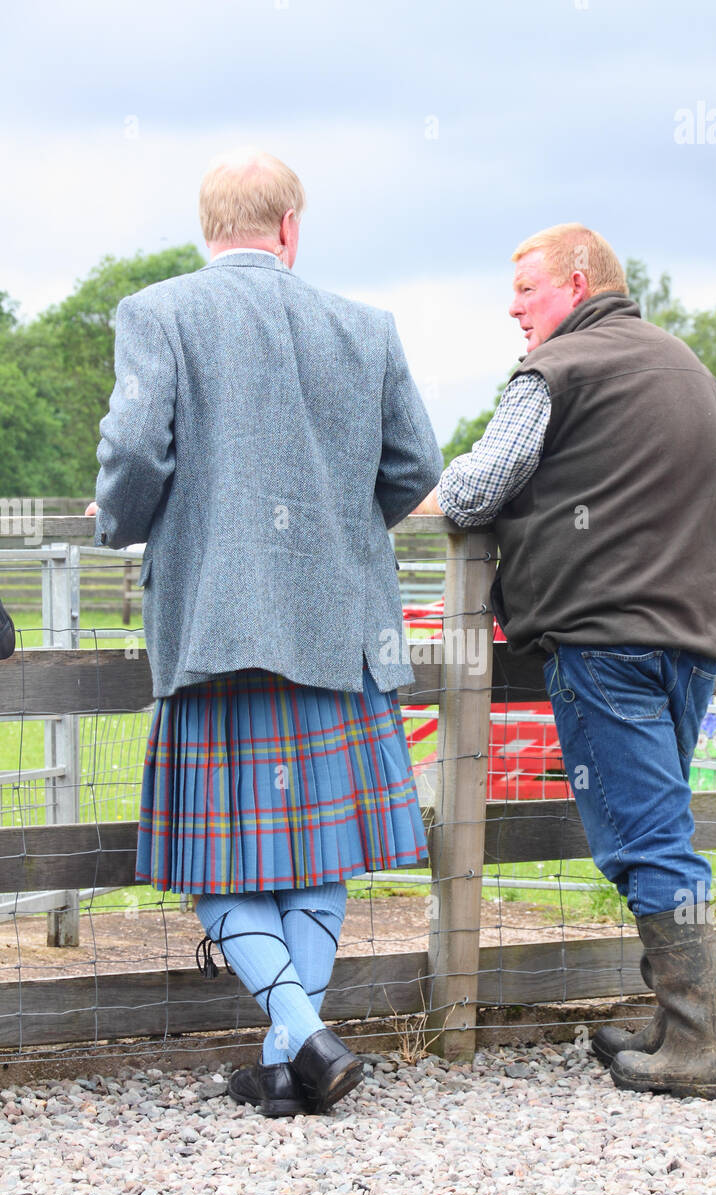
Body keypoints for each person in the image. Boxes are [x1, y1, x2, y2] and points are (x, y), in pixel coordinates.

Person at [89, 148, 442, 1118]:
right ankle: (297, 1052)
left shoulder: (158, 313)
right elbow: (414, 467)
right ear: (290, 227)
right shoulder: (363, 327)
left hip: (213, 626)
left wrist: (120, 519)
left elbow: (130, 450)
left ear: (208, 228)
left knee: (215, 860)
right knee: (315, 859)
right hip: (336, 630)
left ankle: (296, 1040)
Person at [414, 222, 716, 1100]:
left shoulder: (558, 369)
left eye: (526, 288)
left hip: (606, 641)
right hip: (693, 636)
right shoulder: (686, 366)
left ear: (578, 279)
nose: (513, 307)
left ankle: (698, 1045)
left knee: (646, 839)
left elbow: (480, 486)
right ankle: (675, 1022)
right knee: (660, 823)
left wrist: (402, 502)